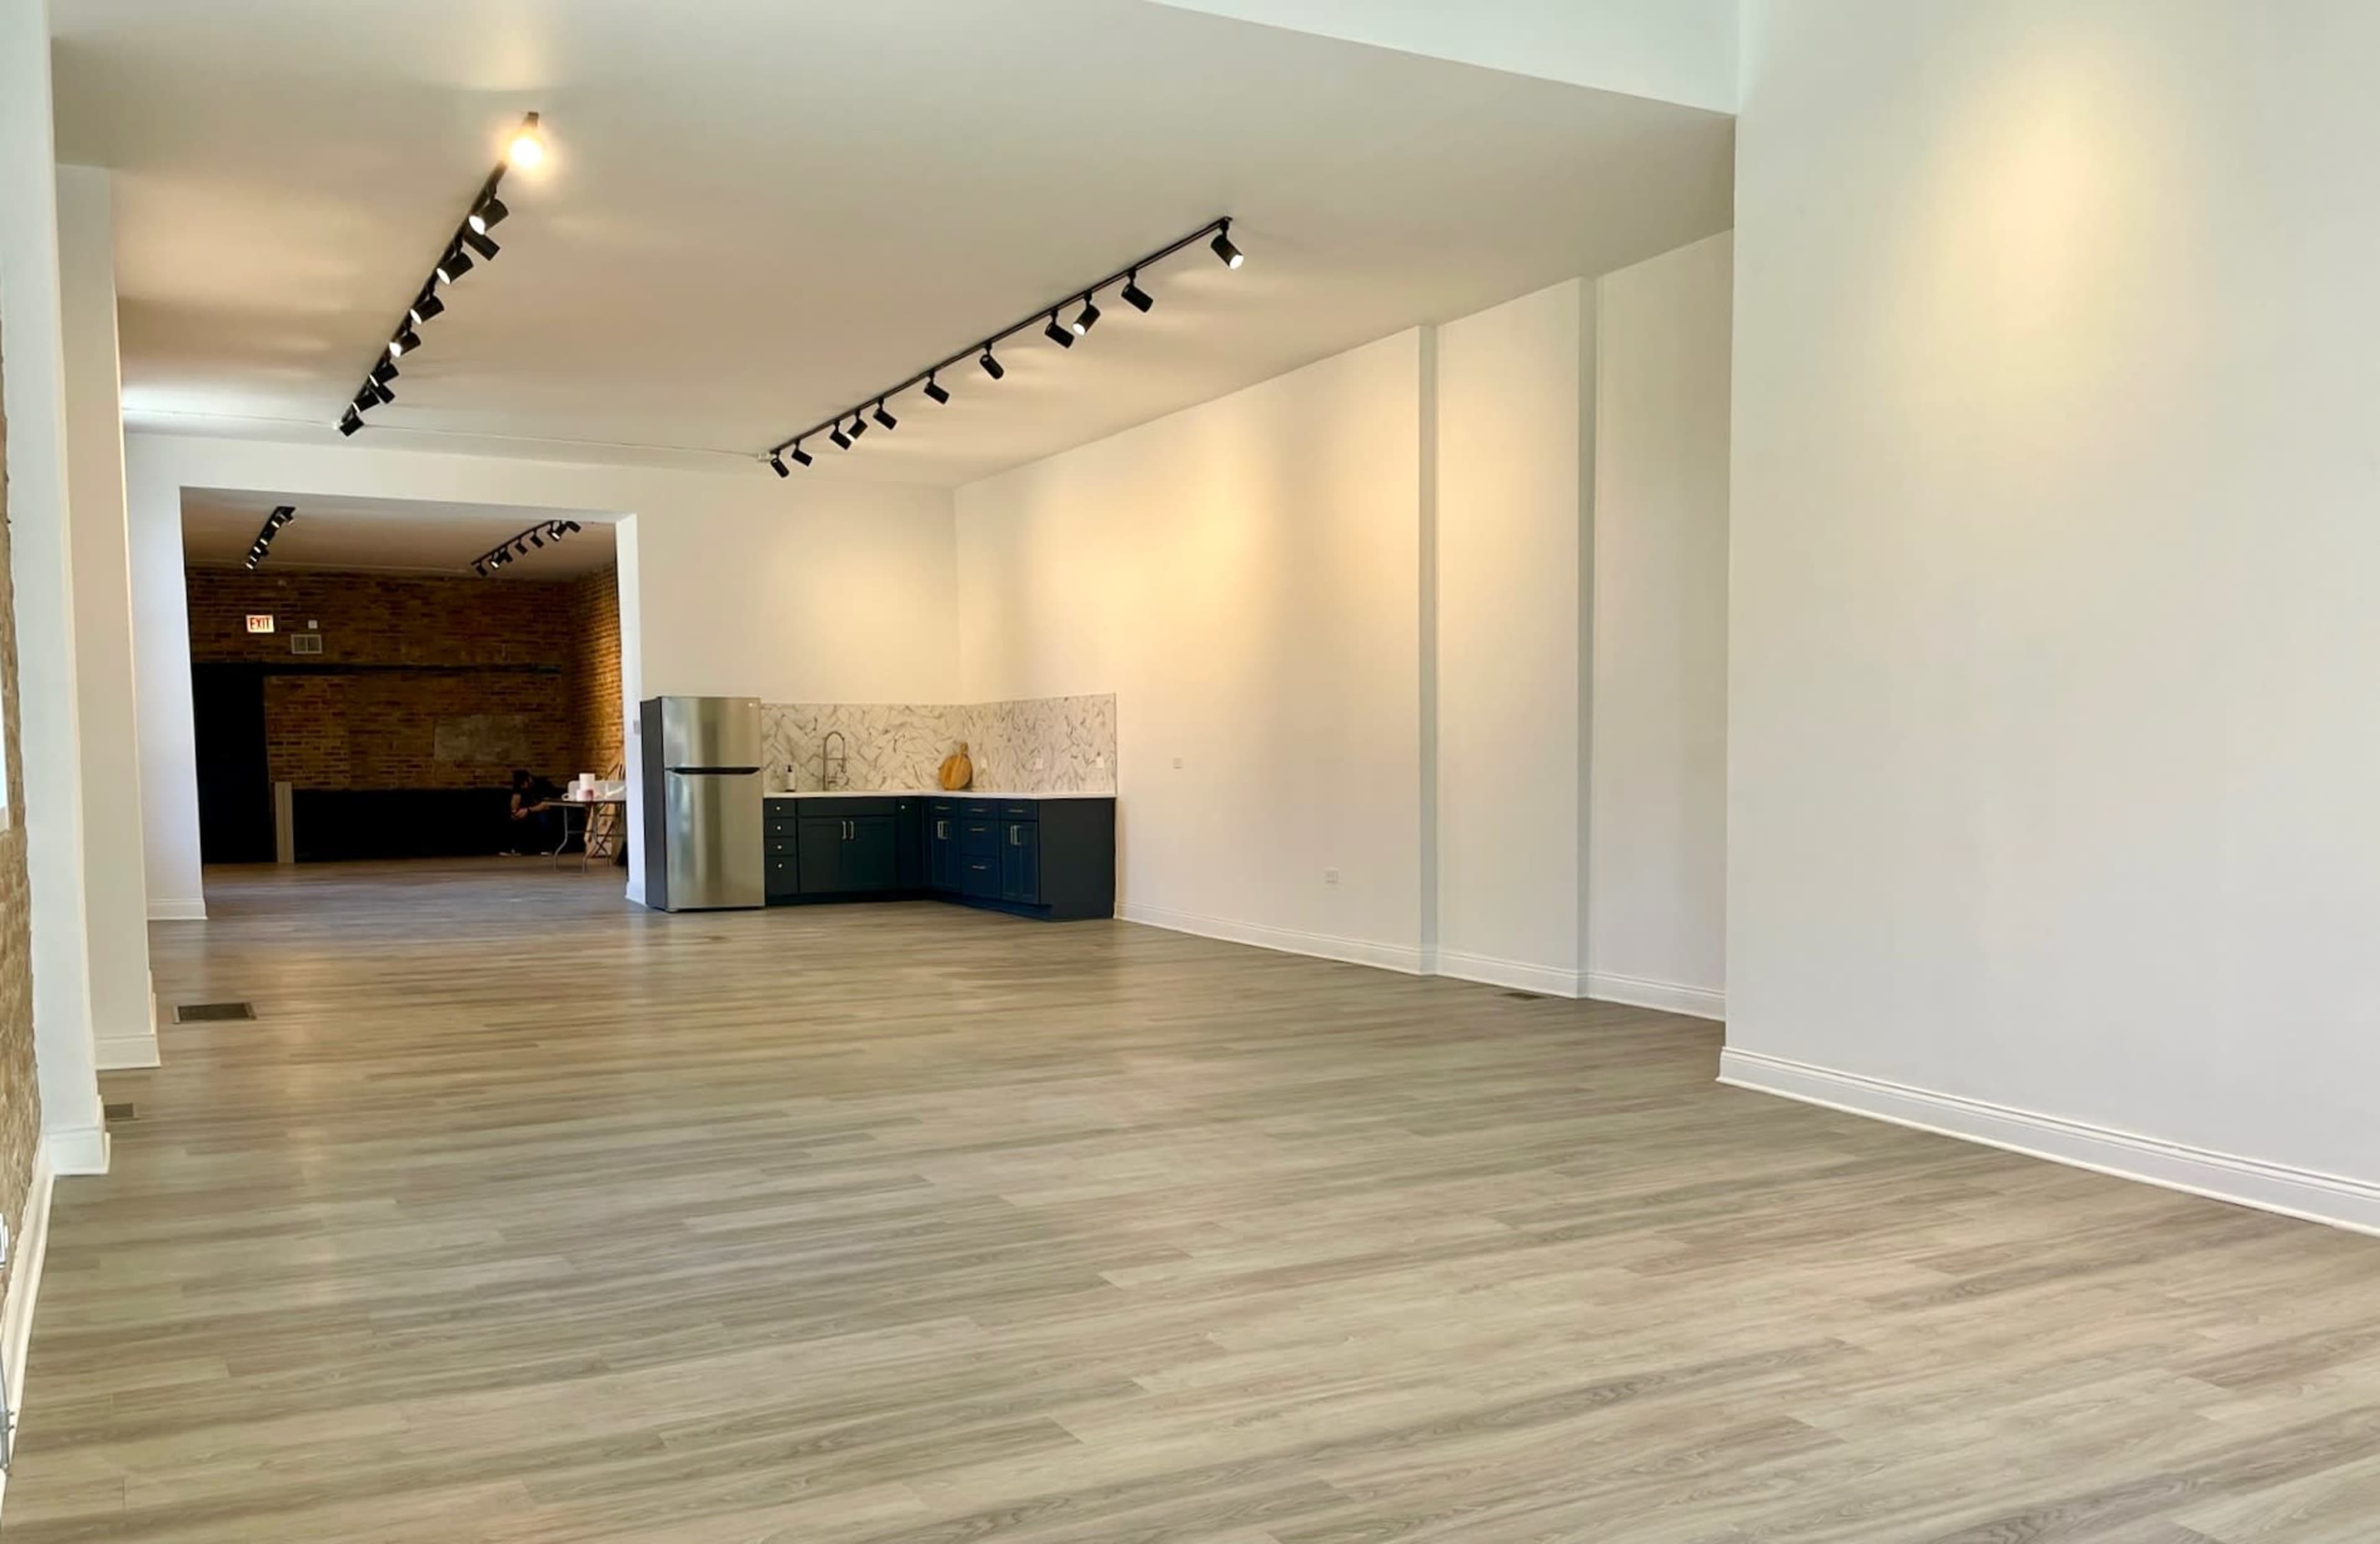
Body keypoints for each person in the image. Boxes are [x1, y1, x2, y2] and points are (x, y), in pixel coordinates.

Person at [506, 769, 566, 855]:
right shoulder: (519, 786)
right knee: (514, 818)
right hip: (530, 810)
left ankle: (547, 848)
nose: (524, 787)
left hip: (548, 809)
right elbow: (515, 802)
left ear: (529, 779)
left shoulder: (542, 784)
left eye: (524, 784)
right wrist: (514, 812)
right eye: (521, 785)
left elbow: (546, 805)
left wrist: (528, 811)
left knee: (543, 816)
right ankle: (517, 849)